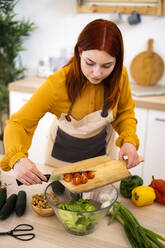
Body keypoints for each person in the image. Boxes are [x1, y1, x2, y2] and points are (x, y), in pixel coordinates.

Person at [0, 19, 140, 186]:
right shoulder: (57, 84)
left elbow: (124, 112)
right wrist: (17, 159)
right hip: (60, 161)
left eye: (107, 65)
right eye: (90, 63)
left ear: (117, 60)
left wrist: (129, 141)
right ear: (79, 52)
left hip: (103, 161)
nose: (96, 73)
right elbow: (18, 124)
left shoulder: (120, 76)